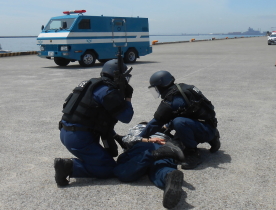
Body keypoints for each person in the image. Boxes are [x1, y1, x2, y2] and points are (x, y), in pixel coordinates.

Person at [54, 59, 134, 187]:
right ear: (118, 76)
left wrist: (115, 136)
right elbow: (127, 117)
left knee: (105, 157)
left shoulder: (92, 84)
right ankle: (69, 167)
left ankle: (88, 161)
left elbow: (97, 117)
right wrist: (128, 97)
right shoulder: (108, 92)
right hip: (80, 138)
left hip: (68, 132)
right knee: (110, 169)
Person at [139, 70, 220, 170]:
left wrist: (139, 137)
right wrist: (167, 126)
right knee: (175, 124)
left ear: (161, 85)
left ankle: (192, 152)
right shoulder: (182, 88)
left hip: (204, 130)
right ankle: (213, 136)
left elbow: (156, 122)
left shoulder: (172, 100)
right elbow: (183, 113)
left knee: (179, 123)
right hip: (207, 125)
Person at [113, 122, 185, 209]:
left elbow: (126, 140)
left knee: (123, 171)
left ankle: (152, 155)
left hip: (142, 146)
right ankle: (169, 175)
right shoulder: (162, 132)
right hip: (163, 146)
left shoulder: (137, 129)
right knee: (161, 167)